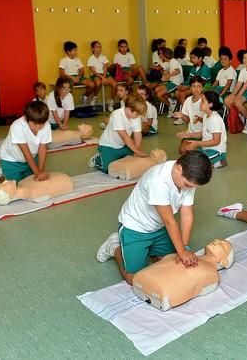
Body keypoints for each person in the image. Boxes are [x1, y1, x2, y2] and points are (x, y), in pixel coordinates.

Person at [95, 151, 213, 285]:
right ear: (178, 169)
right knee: (135, 279)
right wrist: (182, 251)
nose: (189, 189)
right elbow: (169, 221)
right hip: (136, 228)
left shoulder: (189, 176)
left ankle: (149, 249)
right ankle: (114, 246)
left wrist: (184, 247)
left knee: (172, 262)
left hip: (158, 227)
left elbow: (187, 214)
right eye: (188, 185)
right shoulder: (158, 180)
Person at [88, 93, 147, 174]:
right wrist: (137, 151)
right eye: (137, 114)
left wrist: (137, 150)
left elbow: (137, 134)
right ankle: (98, 159)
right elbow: (124, 137)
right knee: (108, 169)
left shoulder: (135, 116)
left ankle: (118, 156)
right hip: (108, 145)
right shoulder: (117, 115)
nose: (138, 116)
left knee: (131, 159)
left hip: (122, 145)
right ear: (128, 108)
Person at [0, 101, 52, 182]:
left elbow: (43, 149)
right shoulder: (17, 126)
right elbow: (26, 152)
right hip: (11, 160)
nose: (38, 127)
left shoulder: (46, 125)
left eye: (42, 124)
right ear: (25, 118)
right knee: (15, 187)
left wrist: (40, 170)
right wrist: (37, 173)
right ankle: (2, 176)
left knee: (32, 182)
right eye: (35, 123)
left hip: (31, 158)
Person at [178, 90, 227, 168]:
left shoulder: (215, 119)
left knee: (194, 165)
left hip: (216, 151)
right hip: (206, 148)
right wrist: (189, 135)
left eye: (203, 101)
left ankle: (219, 160)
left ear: (210, 105)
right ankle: (211, 162)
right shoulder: (205, 116)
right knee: (186, 155)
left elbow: (216, 141)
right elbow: (203, 133)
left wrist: (197, 143)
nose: (200, 103)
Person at [225, 50, 247, 124]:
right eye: (244, 58)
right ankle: (240, 116)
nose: (245, 60)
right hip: (245, 90)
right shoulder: (242, 70)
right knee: (227, 100)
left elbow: (246, 84)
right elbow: (238, 84)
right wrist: (233, 94)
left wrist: (238, 96)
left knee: (237, 102)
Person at [87, 41, 117, 106]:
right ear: (92, 49)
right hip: (96, 74)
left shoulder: (104, 57)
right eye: (97, 47)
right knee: (98, 83)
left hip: (104, 74)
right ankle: (94, 97)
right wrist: (102, 78)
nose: (99, 48)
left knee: (114, 84)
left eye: (100, 47)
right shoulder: (90, 59)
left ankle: (111, 102)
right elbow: (94, 71)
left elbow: (105, 68)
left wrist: (104, 76)